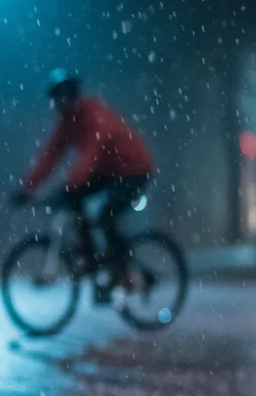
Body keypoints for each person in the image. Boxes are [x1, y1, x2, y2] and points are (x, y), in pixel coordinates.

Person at [14, 70, 155, 290]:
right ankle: (92, 257)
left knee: (106, 215)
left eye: (63, 96)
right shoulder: (68, 123)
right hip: (109, 171)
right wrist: (27, 189)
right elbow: (50, 156)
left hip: (134, 168)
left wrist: (71, 185)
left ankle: (122, 266)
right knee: (75, 200)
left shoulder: (94, 115)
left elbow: (91, 152)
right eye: (56, 97)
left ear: (73, 95)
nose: (60, 102)